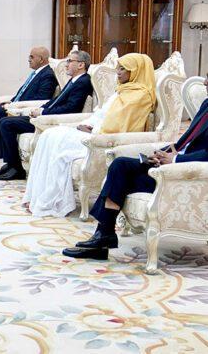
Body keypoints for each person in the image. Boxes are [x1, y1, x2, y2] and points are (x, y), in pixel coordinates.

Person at [63, 76, 208, 260]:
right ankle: (103, 234)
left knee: (120, 178)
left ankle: (103, 237)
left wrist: (177, 160)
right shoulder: (206, 104)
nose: (204, 83)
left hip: (187, 177)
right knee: (120, 165)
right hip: (169, 167)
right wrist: (162, 153)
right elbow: (185, 140)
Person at [23, 53, 157, 218]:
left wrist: (93, 131)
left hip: (102, 139)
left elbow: (121, 125)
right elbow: (101, 114)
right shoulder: (122, 90)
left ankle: (52, 200)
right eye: (118, 68)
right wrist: (87, 124)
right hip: (93, 131)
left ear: (136, 71)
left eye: (123, 69)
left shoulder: (141, 95)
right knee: (48, 135)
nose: (118, 72)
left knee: (56, 140)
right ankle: (38, 197)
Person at [0, 50, 94, 181]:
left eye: (69, 61)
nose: (66, 64)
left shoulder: (83, 82)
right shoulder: (74, 80)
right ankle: (10, 164)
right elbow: (56, 100)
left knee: (7, 123)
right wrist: (40, 109)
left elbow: (71, 108)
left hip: (52, 121)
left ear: (81, 65)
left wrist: (43, 113)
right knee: (5, 121)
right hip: (44, 116)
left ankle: (16, 169)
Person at [0, 47, 58, 160]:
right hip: (15, 104)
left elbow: (41, 98)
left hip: (21, 109)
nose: (29, 59)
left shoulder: (48, 75)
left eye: (31, 57)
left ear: (41, 59)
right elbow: (23, 92)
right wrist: (12, 101)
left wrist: (14, 105)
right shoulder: (37, 73)